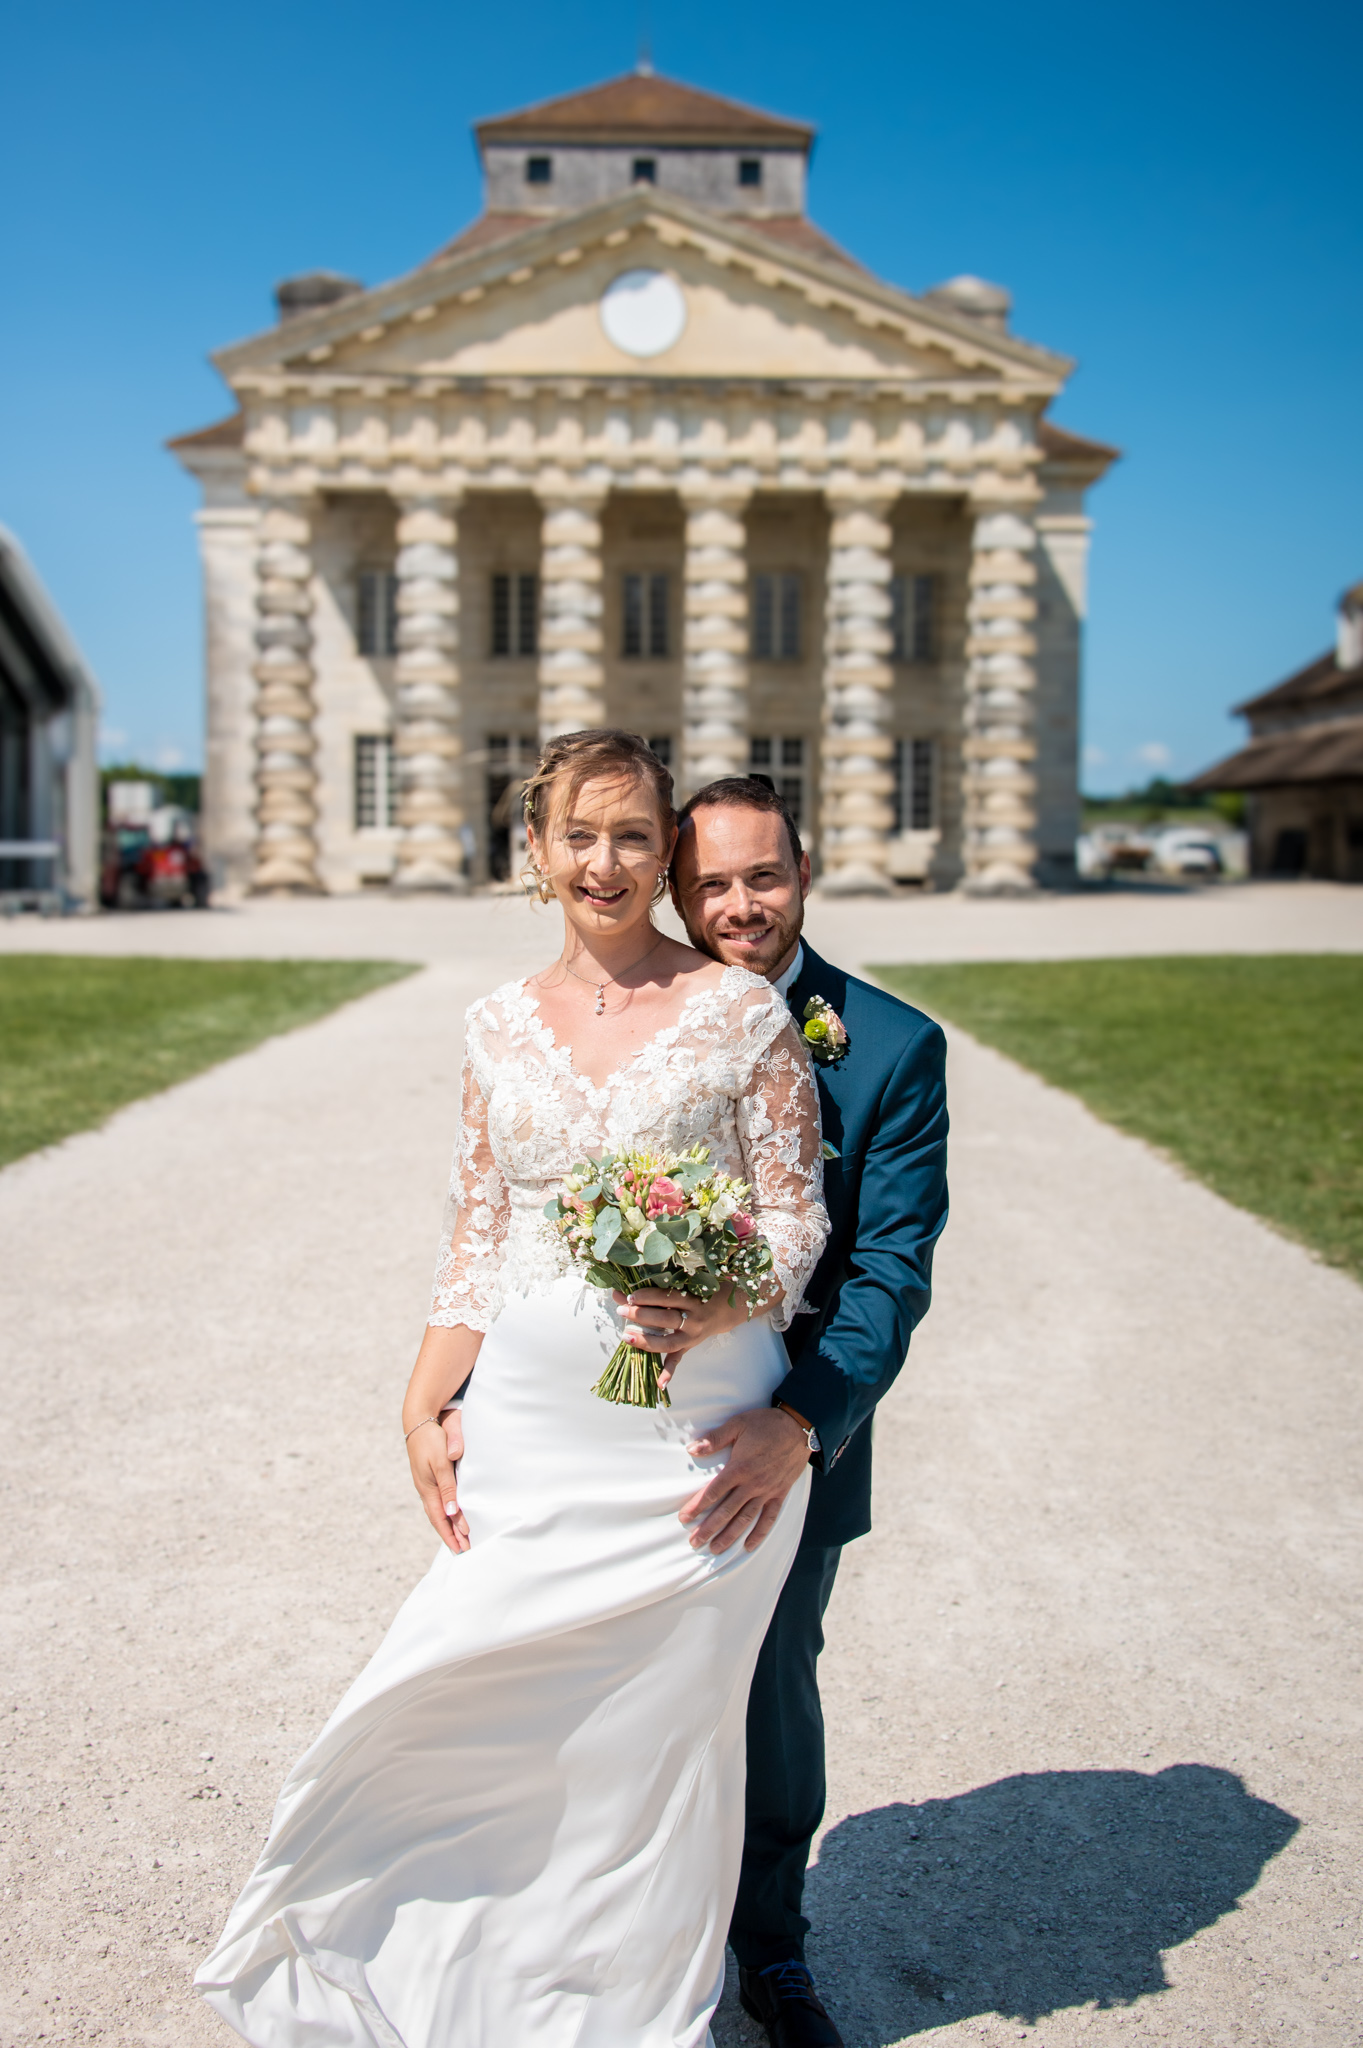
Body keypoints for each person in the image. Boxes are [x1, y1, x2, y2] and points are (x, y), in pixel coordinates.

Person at [195, 730, 829, 2048]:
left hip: (699, 1435)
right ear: (532, 851)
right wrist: (419, 1402)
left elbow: (792, 1219)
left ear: (666, 852)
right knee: (452, 1684)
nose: (603, 863)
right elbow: (473, 1237)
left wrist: (714, 1298)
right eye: (575, 836)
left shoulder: (739, 1011)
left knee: (645, 1746)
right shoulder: (491, 1026)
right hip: (534, 1431)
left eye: (630, 837)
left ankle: (626, 2013)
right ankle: (444, 1979)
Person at [628, 776, 950, 2048]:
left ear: (804, 872)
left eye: (760, 875)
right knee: (612, 1679)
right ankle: (621, 1943)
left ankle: (772, 1946)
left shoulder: (884, 1045)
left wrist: (803, 1423)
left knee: (768, 1688)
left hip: (783, 1432)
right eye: (708, 882)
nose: (737, 904)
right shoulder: (633, 1016)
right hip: (626, 1418)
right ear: (676, 892)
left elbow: (888, 1271)